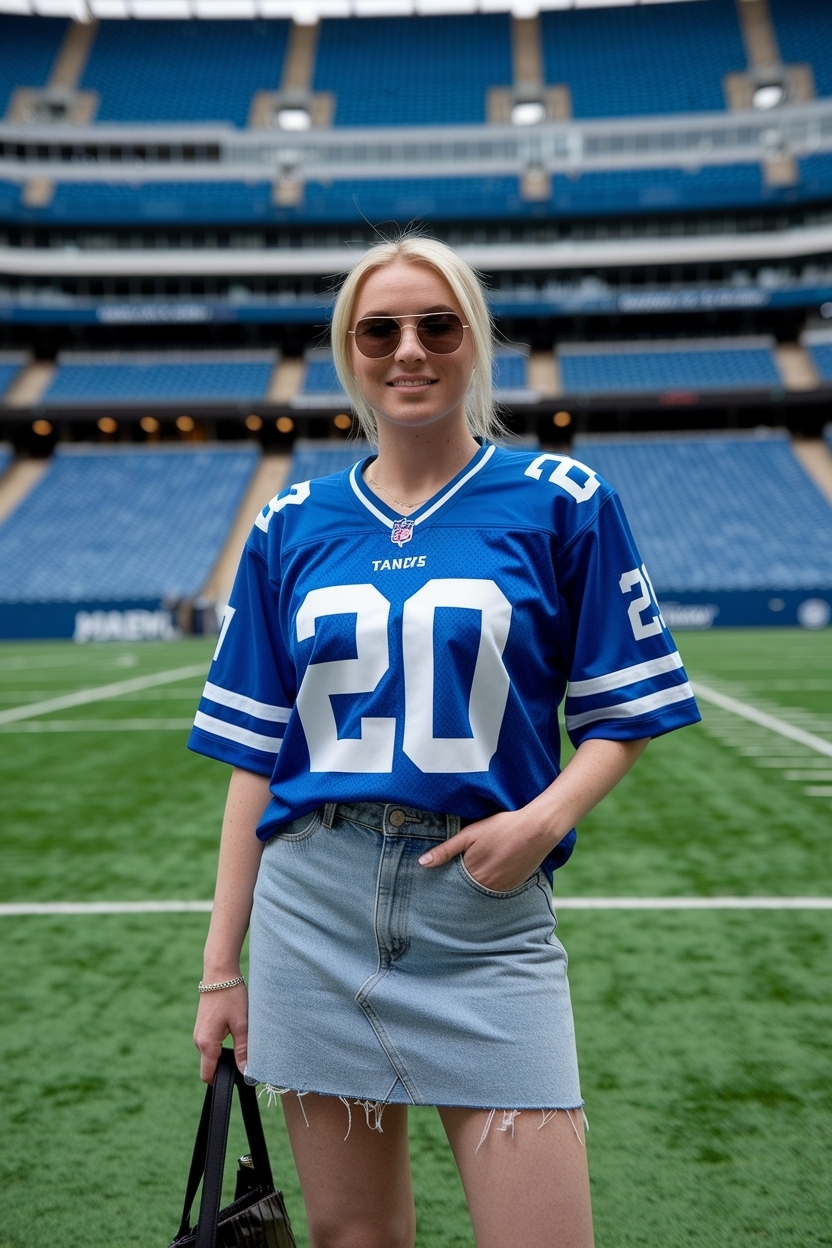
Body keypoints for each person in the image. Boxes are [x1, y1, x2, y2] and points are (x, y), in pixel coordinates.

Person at [189, 235, 700, 1248]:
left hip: (485, 913)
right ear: (349, 350)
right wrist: (219, 967)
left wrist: (541, 821)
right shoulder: (290, 521)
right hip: (312, 912)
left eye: (437, 325)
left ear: (475, 343)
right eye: (379, 329)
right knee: (354, 1238)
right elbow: (258, 757)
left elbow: (622, 713)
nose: (408, 349)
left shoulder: (563, 500)